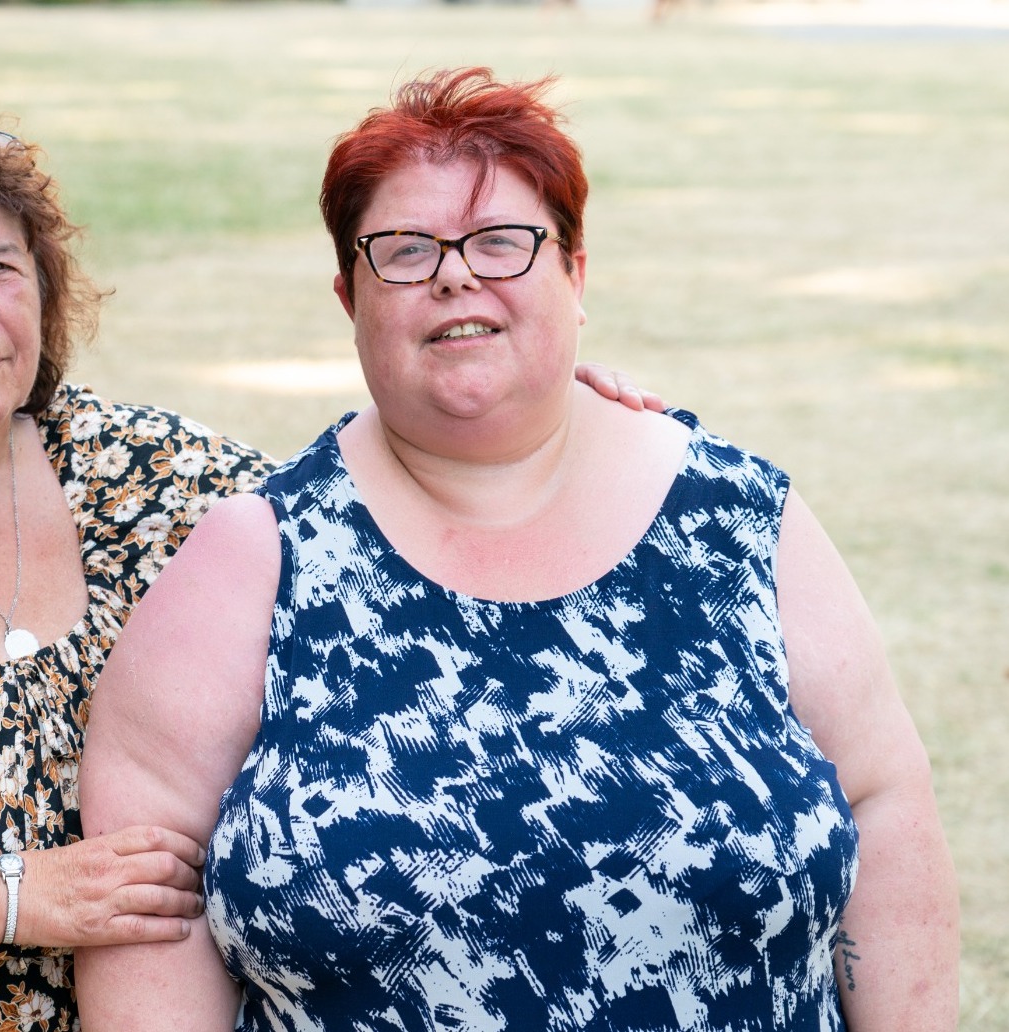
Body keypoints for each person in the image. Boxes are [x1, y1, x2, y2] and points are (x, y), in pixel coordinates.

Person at [0, 95, 654, 1029]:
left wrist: (523, 396)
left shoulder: (132, 468)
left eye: (2, 268)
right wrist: (19, 894)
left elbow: (353, 508)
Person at [76, 67, 959, 1031]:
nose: (456, 274)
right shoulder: (254, 560)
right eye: (405, 250)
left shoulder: (739, 517)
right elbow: (143, 904)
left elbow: (884, 804)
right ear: (349, 298)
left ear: (575, 275)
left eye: (502, 241)